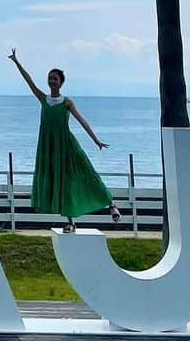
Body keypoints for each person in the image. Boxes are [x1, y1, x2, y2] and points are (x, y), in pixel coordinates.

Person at [8, 48, 122, 233]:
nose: (52, 81)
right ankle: (70, 223)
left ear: (61, 83)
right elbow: (28, 80)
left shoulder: (66, 102)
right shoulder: (43, 98)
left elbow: (82, 120)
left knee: (87, 172)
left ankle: (111, 203)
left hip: (67, 146)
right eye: (50, 78)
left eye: (55, 78)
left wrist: (96, 140)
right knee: (60, 185)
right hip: (49, 148)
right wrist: (16, 62)